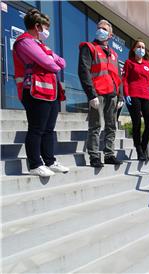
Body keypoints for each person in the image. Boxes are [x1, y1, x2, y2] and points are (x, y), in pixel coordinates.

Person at [13, 8, 69, 177]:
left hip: (50, 91)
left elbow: (62, 63)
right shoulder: (24, 42)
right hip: (34, 90)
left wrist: (51, 57)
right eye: (45, 27)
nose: (47, 31)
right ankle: (35, 164)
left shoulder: (41, 45)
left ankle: (50, 161)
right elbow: (51, 64)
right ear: (37, 26)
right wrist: (51, 59)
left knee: (49, 129)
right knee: (36, 128)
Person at [78, 19, 123, 168]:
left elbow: (118, 76)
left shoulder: (114, 54)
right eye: (99, 28)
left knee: (111, 126)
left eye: (104, 29)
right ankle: (94, 156)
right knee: (95, 126)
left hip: (112, 94)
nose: (100, 30)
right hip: (97, 93)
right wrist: (91, 95)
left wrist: (120, 96)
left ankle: (109, 154)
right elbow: (84, 71)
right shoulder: (89, 48)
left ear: (110, 34)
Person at [122, 39, 149, 161]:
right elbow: (124, 80)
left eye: (143, 47)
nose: (141, 49)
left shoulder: (147, 65)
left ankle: (143, 147)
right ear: (134, 49)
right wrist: (126, 94)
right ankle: (139, 151)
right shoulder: (129, 63)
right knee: (137, 124)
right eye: (139, 47)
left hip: (146, 97)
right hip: (133, 96)